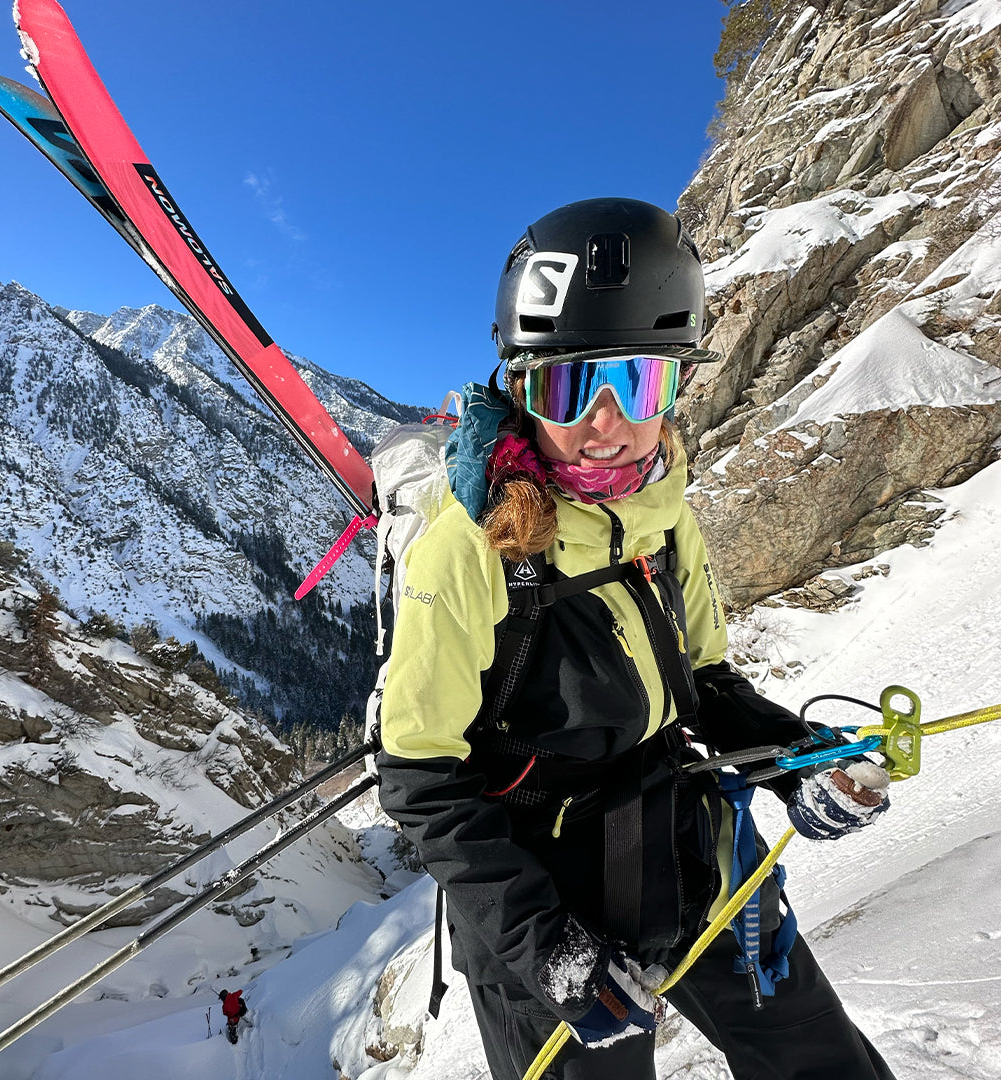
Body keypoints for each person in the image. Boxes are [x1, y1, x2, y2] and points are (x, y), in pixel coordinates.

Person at [376, 199, 896, 1079]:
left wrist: (798, 757)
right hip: (540, 896)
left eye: (639, 384)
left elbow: (706, 683)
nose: (605, 423)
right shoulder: (469, 550)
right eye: (569, 386)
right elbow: (423, 782)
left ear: (676, 386)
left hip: (679, 844)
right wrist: (550, 953)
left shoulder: (661, 509)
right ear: (519, 390)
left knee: (817, 1055)